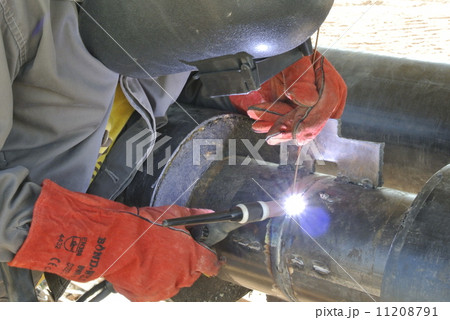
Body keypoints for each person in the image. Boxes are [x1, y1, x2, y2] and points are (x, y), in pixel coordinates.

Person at [0, 0, 346, 301]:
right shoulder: (15, 15)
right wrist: (97, 238)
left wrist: (245, 76)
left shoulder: (178, 17)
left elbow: (145, 86)